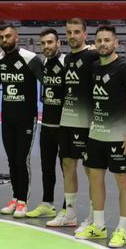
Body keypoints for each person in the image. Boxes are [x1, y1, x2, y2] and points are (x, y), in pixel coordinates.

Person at [76, 25, 126, 248]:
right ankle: (98, 226)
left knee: (123, 182)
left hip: (119, 136)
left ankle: (121, 230)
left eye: (108, 40)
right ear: (95, 44)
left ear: (116, 43)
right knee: (95, 179)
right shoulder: (95, 67)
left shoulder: (125, 69)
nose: (103, 44)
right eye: (99, 40)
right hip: (96, 135)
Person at [46, 18, 100, 229]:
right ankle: (70, 213)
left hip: (87, 122)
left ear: (85, 34)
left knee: (90, 169)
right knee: (68, 165)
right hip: (67, 120)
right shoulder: (68, 58)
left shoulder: (93, 55)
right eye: (69, 32)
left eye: (77, 32)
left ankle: (95, 216)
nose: (72, 36)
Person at [0, 23, 43, 218]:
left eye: (8, 36)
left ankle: (23, 201)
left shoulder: (30, 59)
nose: (5, 40)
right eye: (1, 37)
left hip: (26, 119)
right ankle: (15, 197)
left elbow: (47, 82)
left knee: (22, 160)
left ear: (17, 37)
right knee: (11, 160)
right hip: (7, 118)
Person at [26, 29, 66, 219]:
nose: (46, 47)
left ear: (59, 43)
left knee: (67, 167)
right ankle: (47, 203)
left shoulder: (67, 62)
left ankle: (68, 208)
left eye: (50, 42)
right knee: (47, 166)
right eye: (43, 43)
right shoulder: (44, 64)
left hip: (66, 125)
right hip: (47, 123)